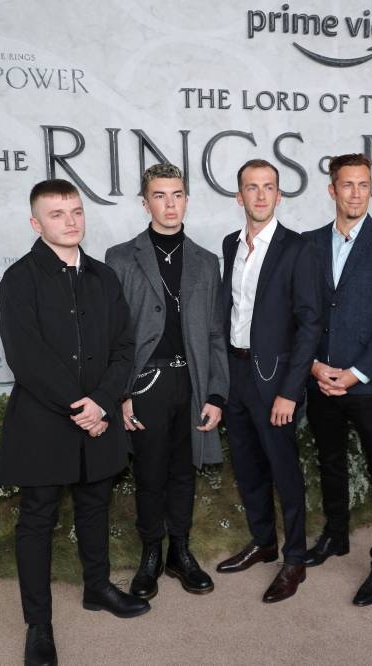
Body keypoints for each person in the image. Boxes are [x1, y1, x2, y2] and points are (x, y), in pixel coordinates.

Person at [0, 179, 148, 666]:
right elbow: (26, 355)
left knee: (95, 506)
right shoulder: (19, 279)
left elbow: (125, 347)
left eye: (76, 211)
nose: (71, 221)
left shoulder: (104, 276)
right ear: (35, 223)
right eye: (57, 214)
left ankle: (97, 588)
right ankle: (38, 625)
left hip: (100, 417)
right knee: (37, 520)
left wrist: (102, 403)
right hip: (45, 422)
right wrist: (80, 407)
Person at [104, 163, 228, 599]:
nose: (169, 204)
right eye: (159, 196)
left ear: (186, 200)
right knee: (150, 473)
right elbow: (114, 335)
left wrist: (216, 393)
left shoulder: (206, 262)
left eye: (177, 195)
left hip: (191, 383)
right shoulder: (121, 258)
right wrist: (122, 393)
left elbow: (215, 334)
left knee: (183, 472)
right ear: (145, 203)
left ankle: (180, 551)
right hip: (146, 384)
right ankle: (150, 555)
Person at [301, 153, 372, 607]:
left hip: (371, 382)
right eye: (347, 184)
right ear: (332, 190)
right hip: (321, 378)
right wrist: (313, 365)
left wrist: (355, 373)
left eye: (363, 184)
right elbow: (300, 311)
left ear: (371, 189)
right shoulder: (309, 243)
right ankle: (336, 534)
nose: (355, 193)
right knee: (330, 462)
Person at [215, 159, 322, 603]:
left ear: (279, 195)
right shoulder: (230, 244)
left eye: (268, 187)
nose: (260, 195)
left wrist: (290, 392)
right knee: (247, 467)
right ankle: (263, 542)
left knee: (284, 471)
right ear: (238, 196)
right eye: (251, 187)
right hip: (236, 373)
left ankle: (294, 558)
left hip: (275, 380)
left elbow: (310, 325)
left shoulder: (298, 248)